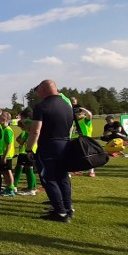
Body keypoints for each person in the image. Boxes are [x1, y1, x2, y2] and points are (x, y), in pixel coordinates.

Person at [26, 79, 74, 222]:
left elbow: (36, 131)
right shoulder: (66, 105)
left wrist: (29, 149)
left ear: (43, 89)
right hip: (65, 144)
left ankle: (60, 212)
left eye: (38, 91)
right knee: (63, 177)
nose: (38, 94)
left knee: (49, 178)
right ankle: (68, 208)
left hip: (49, 146)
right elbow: (71, 127)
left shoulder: (41, 106)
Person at [14, 109, 38, 196]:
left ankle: (31, 189)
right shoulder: (28, 127)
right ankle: (32, 186)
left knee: (29, 169)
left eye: (22, 117)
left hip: (29, 150)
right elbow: (20, 138)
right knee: (24, 168)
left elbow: (29, 134)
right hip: (24, 150)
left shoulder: (32, 125)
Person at [71, 106, 95, 177]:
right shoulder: (74, 121)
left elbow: (90, 115)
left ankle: (91, 171)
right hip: (75, 140)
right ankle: (76, 170)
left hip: (84, 140)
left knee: (87, 156)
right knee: (75, 156)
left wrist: (82, 109)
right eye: (77, 114)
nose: (78, 115)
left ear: (83, 114)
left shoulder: (85, 120)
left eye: (79, 113)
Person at [0, 112, 16, 196]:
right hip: (3, 154)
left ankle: (11, 189)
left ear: (5, 119)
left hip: (7, 155)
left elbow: (9, 145)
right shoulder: (3, 129)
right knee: (4, 171)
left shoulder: (7, 130)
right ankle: (8, 187)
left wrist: (4, 156)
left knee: (7, 171)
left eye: (0, 117)